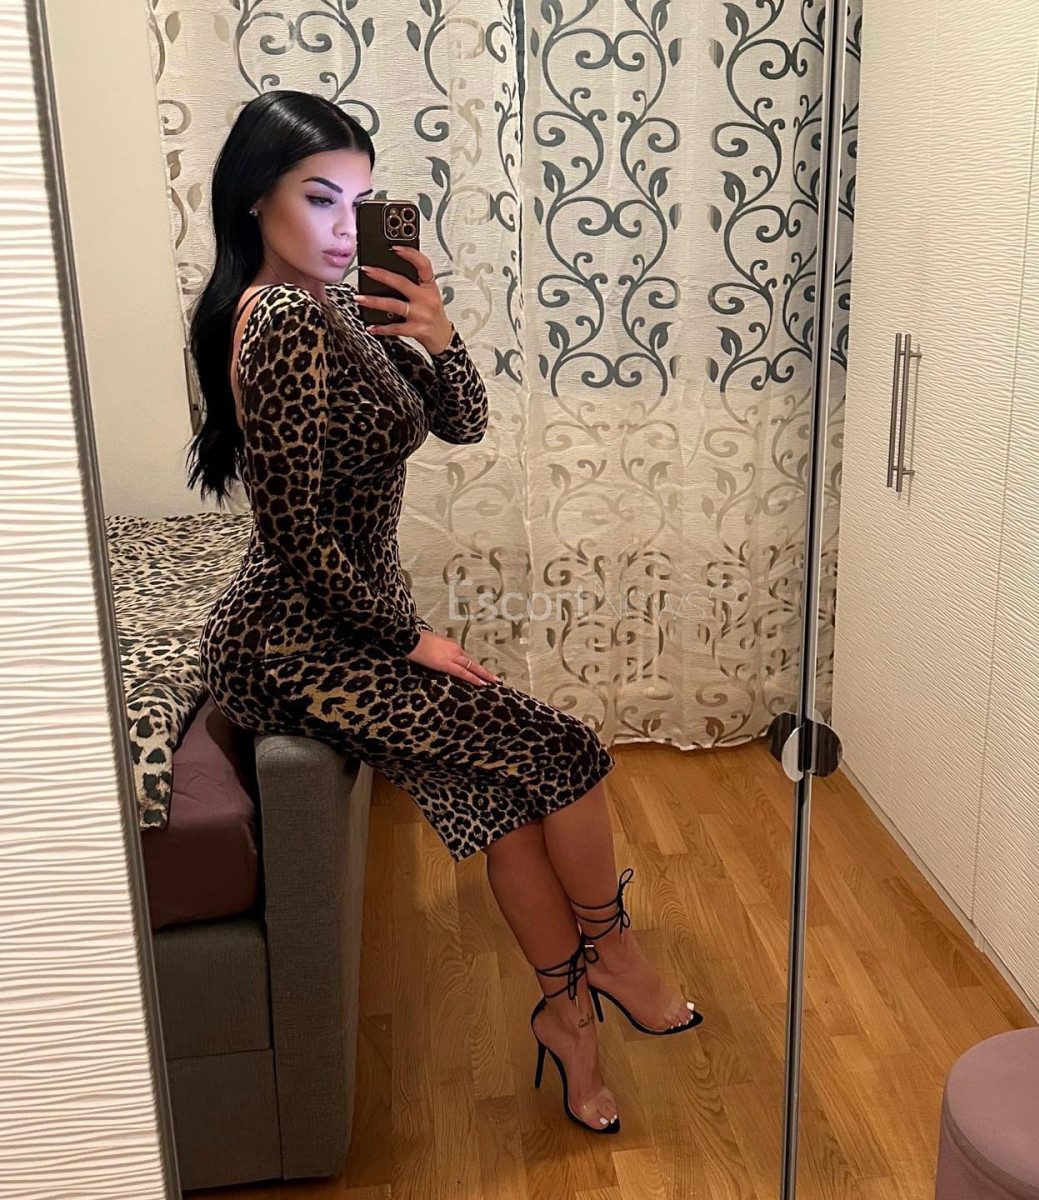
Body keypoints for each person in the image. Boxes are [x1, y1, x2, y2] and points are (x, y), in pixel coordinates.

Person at [186, 90, 701, 1135]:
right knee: (565, 750)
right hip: (294, 644)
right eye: (319, 199)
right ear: (254, 200)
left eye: (361, 202)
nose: (346, 228)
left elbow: (459, 422)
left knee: (500, 797)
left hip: (340, 626)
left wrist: (438, 330)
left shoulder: (336, 309)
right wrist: (410, 638)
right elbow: (294, 533)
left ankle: (567, 1019)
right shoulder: (282, 320)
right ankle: (614, 955)